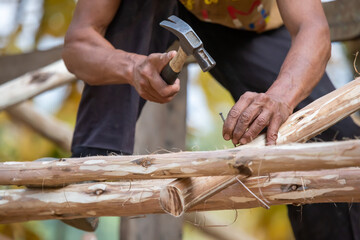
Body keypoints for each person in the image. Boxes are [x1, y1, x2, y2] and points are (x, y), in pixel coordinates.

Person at [62, 0, 360, 239]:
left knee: (333, 142)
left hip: (250, 25)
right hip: (157, 9)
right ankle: (91, 166)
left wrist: (281, 97)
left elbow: (313, 28)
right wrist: (132, 67)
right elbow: (79, 42)